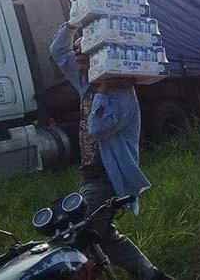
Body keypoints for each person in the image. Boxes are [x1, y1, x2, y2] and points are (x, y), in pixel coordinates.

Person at [49, 22, 173, 280]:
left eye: (85, 54)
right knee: (103, 235)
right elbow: (58, 51)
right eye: (78, 51)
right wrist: (72, 24)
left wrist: (103, 91)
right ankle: (151, 275)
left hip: (108, 177)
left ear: (100, 60)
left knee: (82, 234)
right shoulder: (88, 84)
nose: (78, 57)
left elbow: (97, 129)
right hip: (91, 174)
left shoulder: (121, 95)